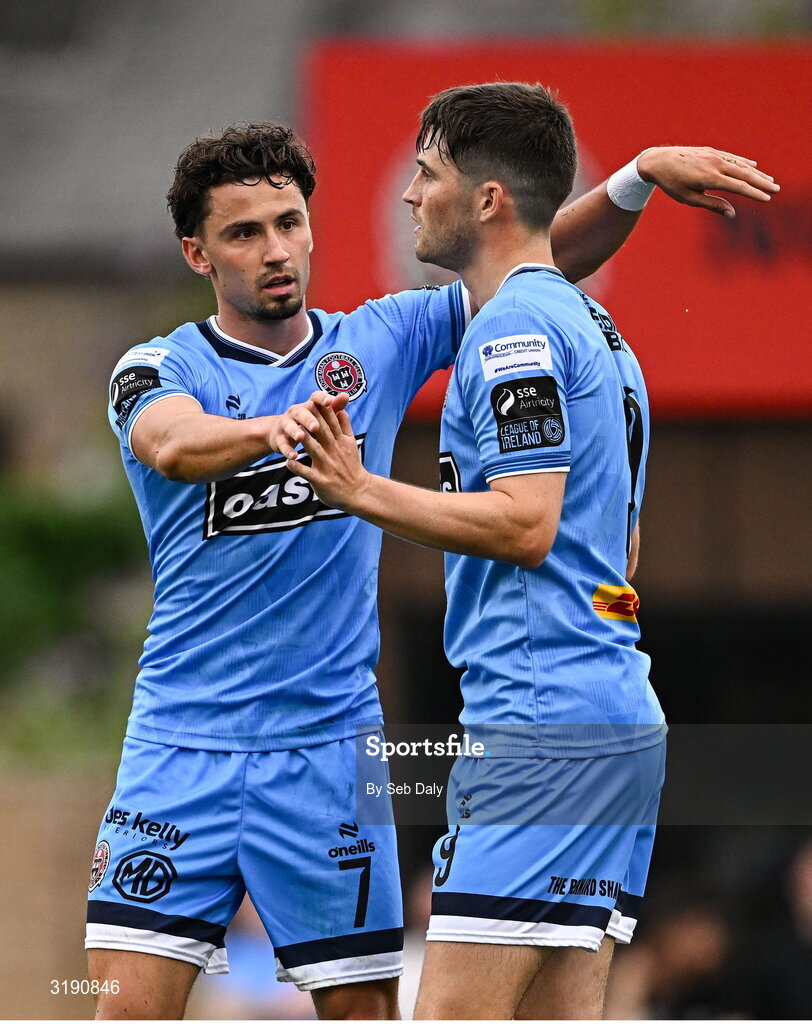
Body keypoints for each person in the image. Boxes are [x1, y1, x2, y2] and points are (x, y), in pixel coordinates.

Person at [85, 119, 778, 1021]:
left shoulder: (380, 337)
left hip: (331, 753)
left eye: (290, 223)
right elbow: (169, 443)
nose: (276, 250)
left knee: (370, 1011)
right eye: (244, 234)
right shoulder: (158, 365)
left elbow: (530, 250)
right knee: (125, 1010)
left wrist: (636, 181)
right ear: (197, 253)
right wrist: (282, 430)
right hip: (180, 746)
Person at [285, 83, 778, 1020]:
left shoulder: (512, 331)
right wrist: (636, 178)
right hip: (611, 718)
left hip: (541, 726)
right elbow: (616, 543)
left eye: (425, 173)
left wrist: (358, 490)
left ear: (487, 201)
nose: (407, 195)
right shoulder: (598, 331)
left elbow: (526, 522)